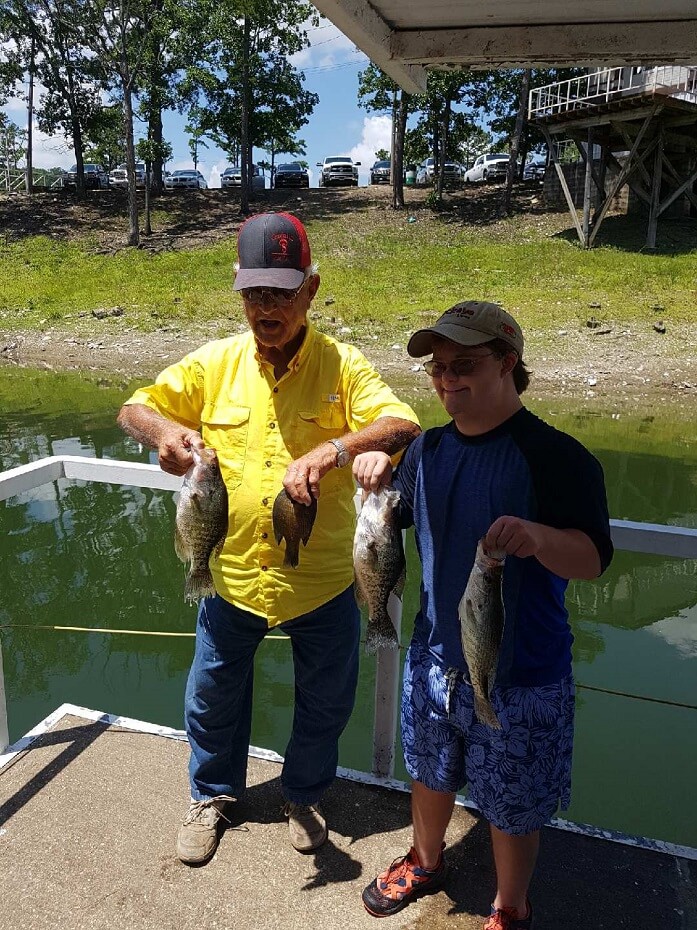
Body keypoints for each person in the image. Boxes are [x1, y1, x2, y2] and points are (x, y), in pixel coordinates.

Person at [116, 212, 420, 864]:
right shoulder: (216, 363)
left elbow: (401, 424)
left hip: (322, 581)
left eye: (281, 293)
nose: (267, 308)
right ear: (238, 288)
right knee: (211, 697)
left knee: (325, 701)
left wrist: (334, 450)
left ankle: (302, 796)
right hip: (229, 576)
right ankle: (211, 796)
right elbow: (135, 407)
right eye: (254, 293)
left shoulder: (342, 366)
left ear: (311, 288)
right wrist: (164, 435)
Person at [356, 301, 613, 929]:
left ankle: (510, 905)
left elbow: (592, 560)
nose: (447, 379)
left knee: (514, 803)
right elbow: (393, 521)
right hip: (434, 656)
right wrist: (378, 473)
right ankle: (425, 860)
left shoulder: (557, 456)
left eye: (464, 365)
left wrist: (538, 537)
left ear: (507, 362)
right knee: (429, 771)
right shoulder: (428, 449)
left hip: (522, 671)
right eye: (438, 368)